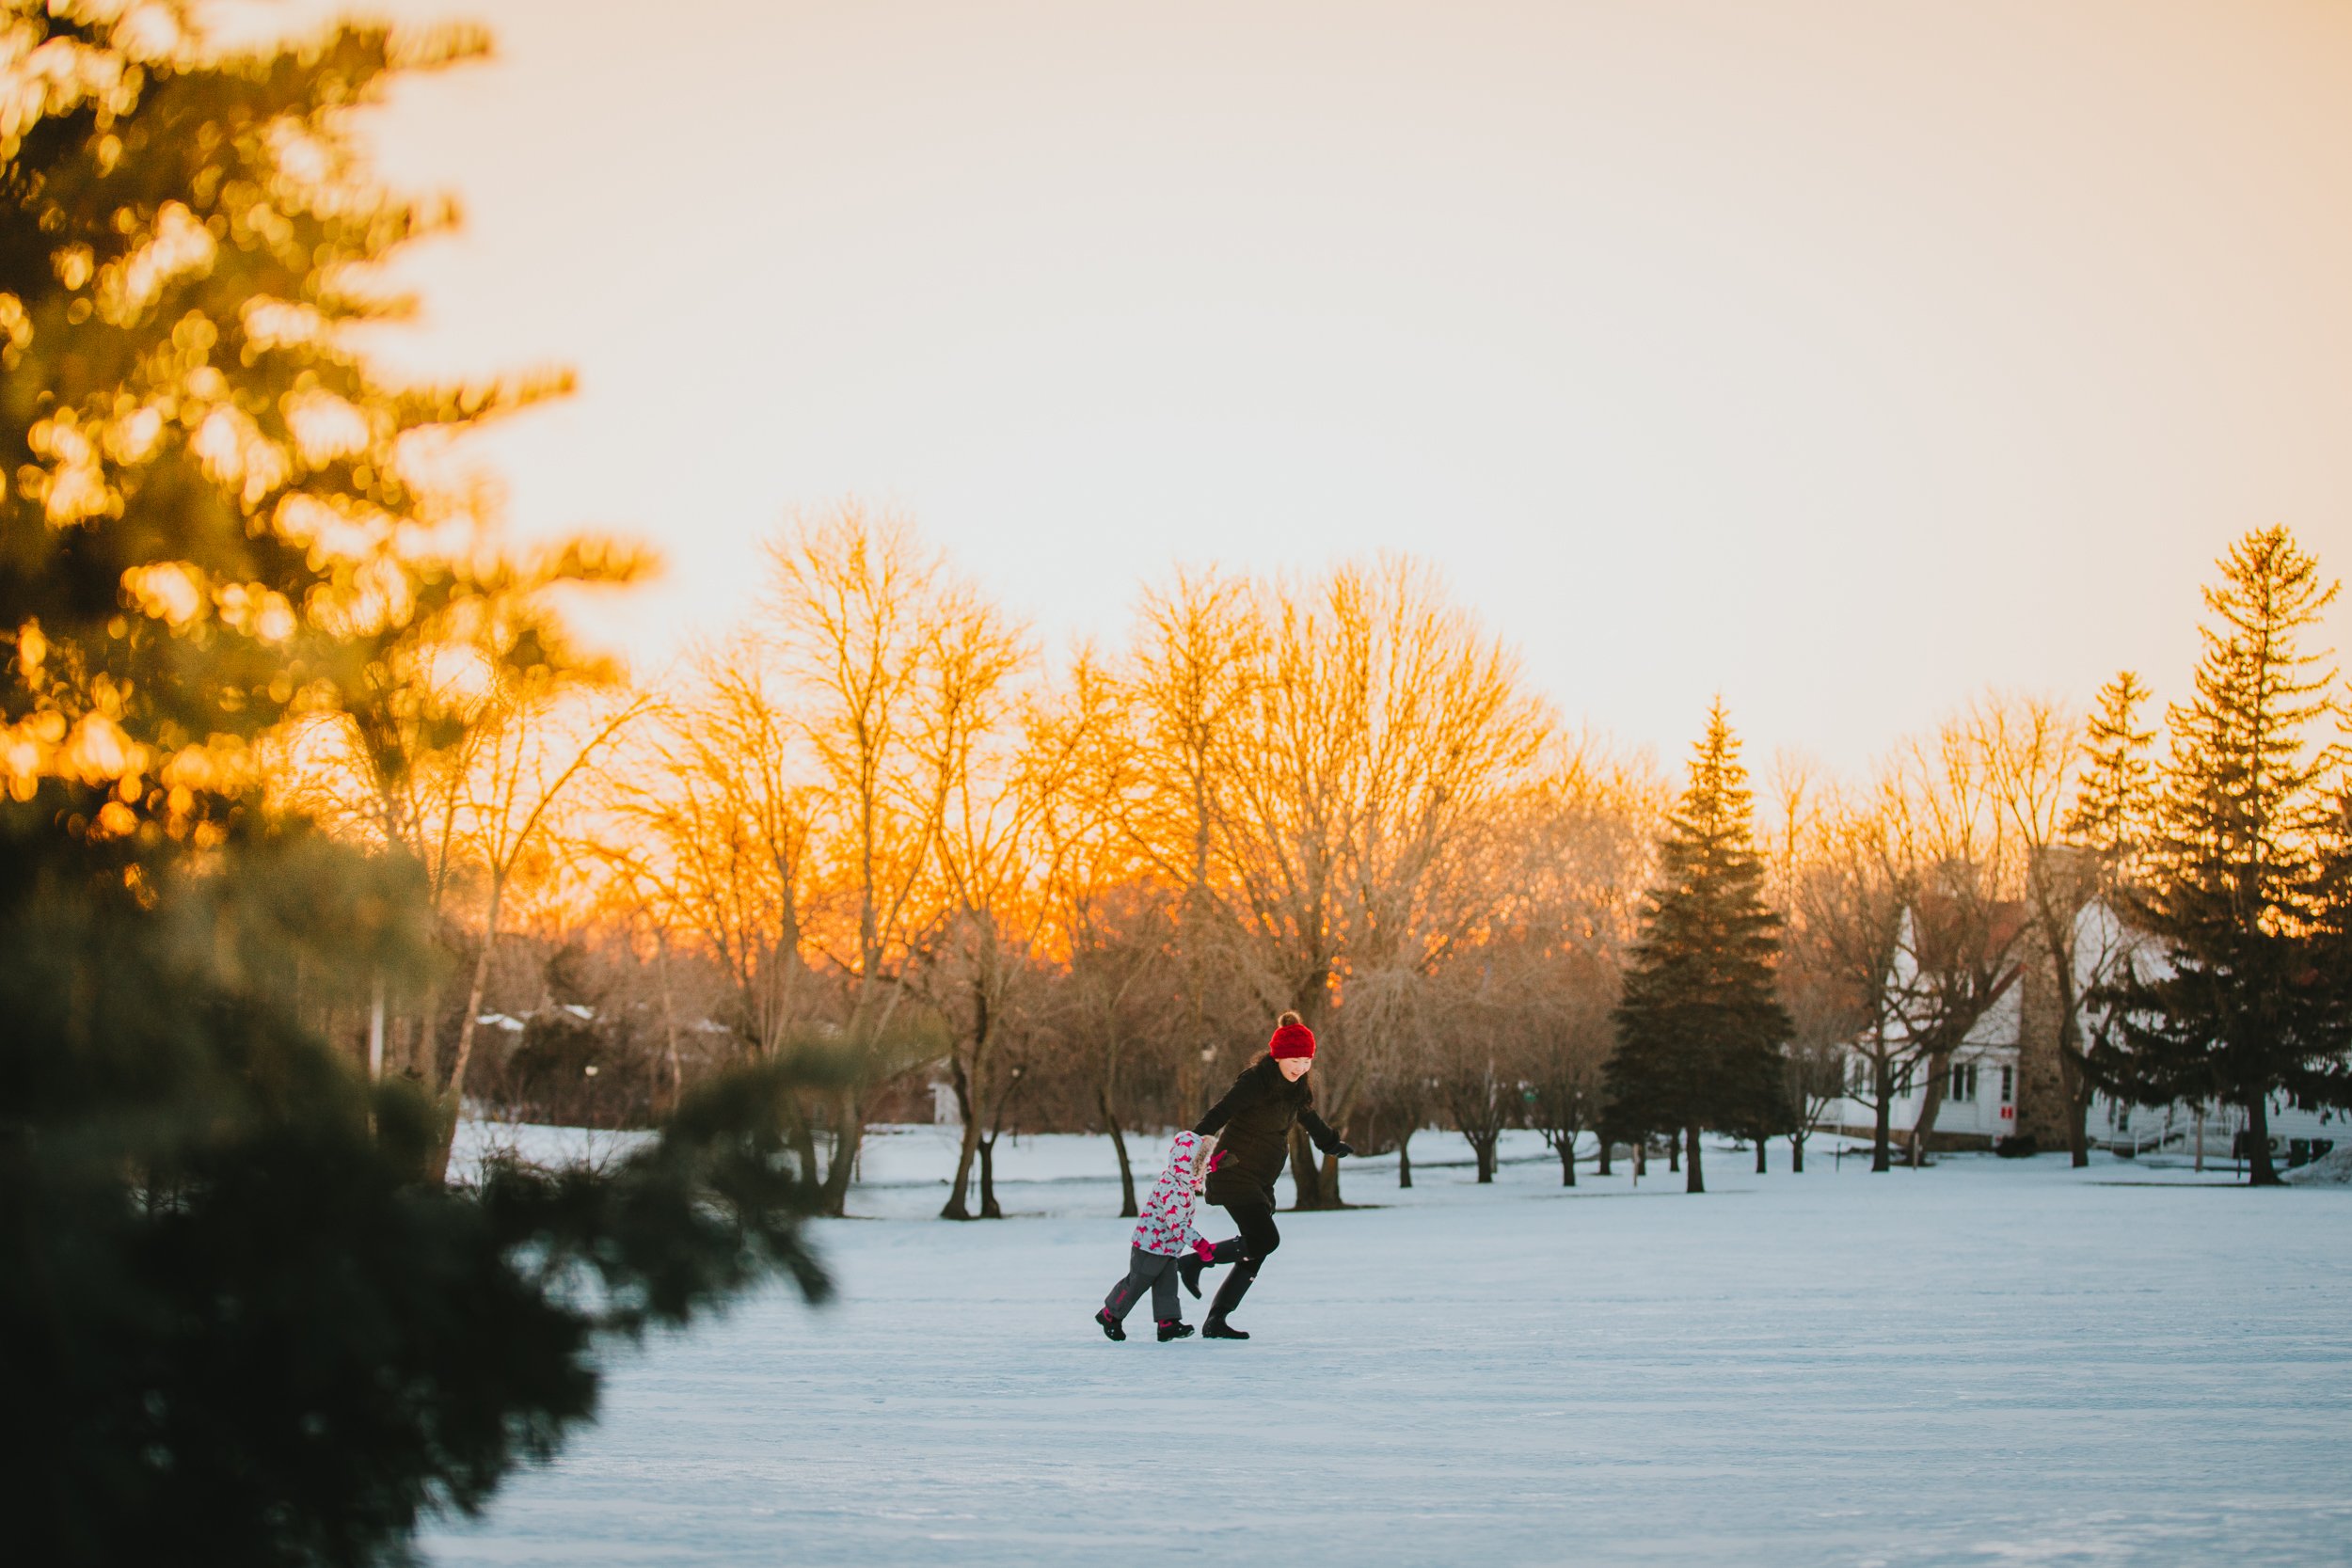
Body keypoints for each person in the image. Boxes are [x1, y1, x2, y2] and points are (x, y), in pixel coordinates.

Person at [1179, 1011, 1353, 1339]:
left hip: (1260, 1178)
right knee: (1265, 1240)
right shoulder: (1255, 1082)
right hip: (1233, 1171)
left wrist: (1330, 1144)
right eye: (1295, 1060)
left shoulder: (1296, 1088)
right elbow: (1220, 1113)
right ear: (1278, 1056)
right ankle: (1196, 1261)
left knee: (1257, 1248)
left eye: (1306, 1061)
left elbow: (1309, 1119)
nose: (1301, 1067)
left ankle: (1216, 1319)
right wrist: (1192, 1151)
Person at [1094, 1131, 1217, 1342]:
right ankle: (1110, 1314)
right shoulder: (1174, 1188)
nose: (1203, 1167)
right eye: (1201, 1162)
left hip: (1168, 1246)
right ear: (1188, 1163)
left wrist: (1211, 1165)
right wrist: (1201, 1245)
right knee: (1137, 1282)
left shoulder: (1181, 1182)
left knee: (1167, 1284)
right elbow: (1177, 1224)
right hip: (1150, 1246)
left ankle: (1167, 1323)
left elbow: (1195, 1180)